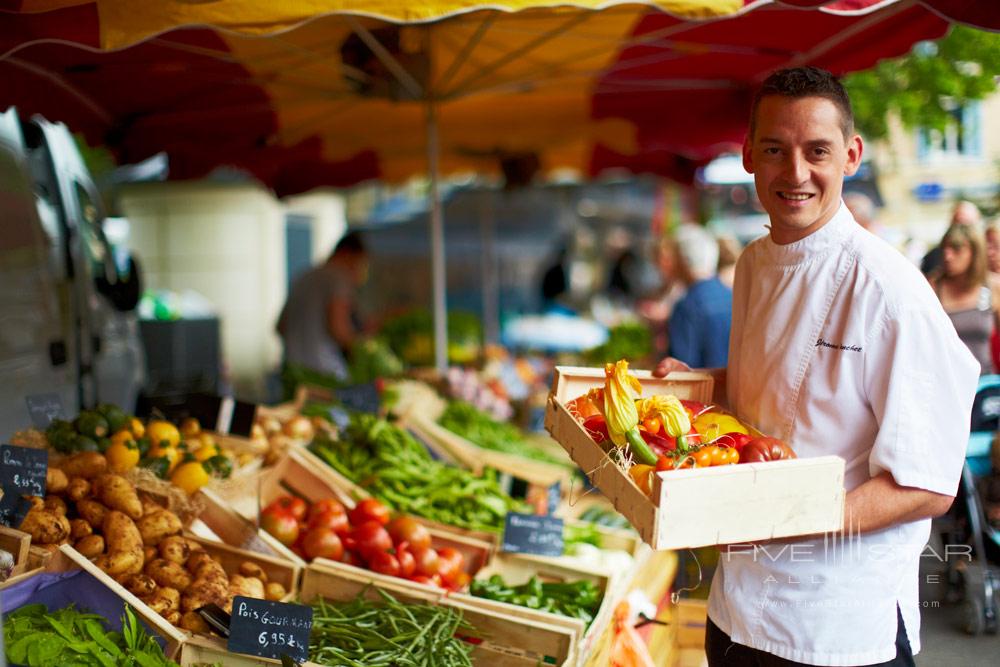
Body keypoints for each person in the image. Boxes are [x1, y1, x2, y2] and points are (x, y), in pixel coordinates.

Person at [654, 66, 979, 666]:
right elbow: (777, 386)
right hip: (736, 607)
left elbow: (929, 484)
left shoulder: (890, 289)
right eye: (776, 149)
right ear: (750, 154)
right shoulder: (753, 263)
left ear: (851, 154)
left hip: (840, 625)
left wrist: (789, 518)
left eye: (817, 151)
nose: (795, 172)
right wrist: (698, 385)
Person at [276, 231, 369, 381]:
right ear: (348, 254)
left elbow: (280, 327)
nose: (358, 269)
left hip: (292, 372)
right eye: (359, 263)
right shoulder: (338, 278)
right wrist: (367, 351)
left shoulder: (304, 276)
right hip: (324, 374)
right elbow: (338, 330)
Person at [928, 223, 996, 375]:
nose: (948, 256)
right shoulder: (932, 287)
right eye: (944, 248)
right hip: (946, 380)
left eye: (956, 249)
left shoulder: (992, 287)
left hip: (984, 380)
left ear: (974, 252)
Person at [667, 224, 732, 368]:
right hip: (734, 387)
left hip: (703, 389)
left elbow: (682, 370)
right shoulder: (732, 296)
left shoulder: (687, 306)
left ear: (683, 261)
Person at [920, 199, 983, 276]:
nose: (959, 231)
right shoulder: (933, 258)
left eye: (966, 225)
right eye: (957, 223)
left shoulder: (990, 258)